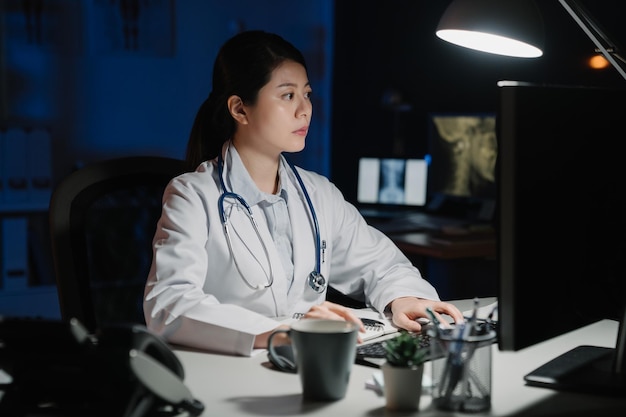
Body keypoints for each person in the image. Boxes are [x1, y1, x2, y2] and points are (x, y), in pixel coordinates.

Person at [143, 30, 464, 356]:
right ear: (240, 109)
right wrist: (280, 332)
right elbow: (169, 303)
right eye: (287, 96)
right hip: (231, 372)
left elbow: (383, 265)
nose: (305, 110)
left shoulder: (317, 194)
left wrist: (404, 298)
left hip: (309, 365)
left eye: (306, 94)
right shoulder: (192, 195)